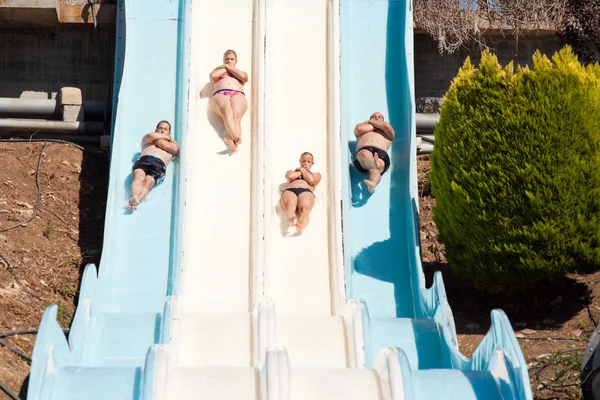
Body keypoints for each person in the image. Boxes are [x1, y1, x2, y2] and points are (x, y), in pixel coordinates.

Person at [127, 120, 179, 212]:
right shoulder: (147, 140)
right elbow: (150, 136)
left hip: (159, 164)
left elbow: (170, 147)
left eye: (165, 129)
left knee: (148, 183)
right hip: (144, 159)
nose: (162, 130)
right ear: (156, 130)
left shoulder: (173, 145)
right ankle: (134, 197)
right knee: (138, 177)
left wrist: (162, 139)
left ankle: (136, 201)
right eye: (160, 128)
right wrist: (167, 137)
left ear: (169, 132)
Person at [209, 49, 249, 152]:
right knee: (226, 110)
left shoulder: (240, 72)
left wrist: (228, 67)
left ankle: (233, 142)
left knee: (236, 117)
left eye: (232, 59)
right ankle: (236, 137)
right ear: (223, 60)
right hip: (221, 93)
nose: (229, 60)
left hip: (237, 93)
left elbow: (244, 77)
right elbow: (213, 76)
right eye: (226, 59)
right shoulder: (218, 71)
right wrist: (226, 67)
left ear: (236, 61)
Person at [279, 152, 322, 235]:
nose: (305, 163)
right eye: (303, 161)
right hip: (291, 190)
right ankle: (290, 220)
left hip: (306, 191)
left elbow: (312, 180)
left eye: (308, 162)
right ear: (300, 161)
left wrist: (302, 170)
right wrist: (301, 171)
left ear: (312, 163)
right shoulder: (291, 171)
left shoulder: (316, 174)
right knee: (289, 206)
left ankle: (300, 226)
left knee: (304, 209)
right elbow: (290, 177)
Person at [353, 112, 395, 193]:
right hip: (364, 150)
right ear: (369, 119)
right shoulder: (362, 128)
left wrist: (372, 123)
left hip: (381, 153)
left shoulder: (388, 134)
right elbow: (359, 129)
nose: (376, 118)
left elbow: (387, 127)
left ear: (384, 120)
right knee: (365, 155)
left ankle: (373, 183)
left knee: (380, 163)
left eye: (380, 117)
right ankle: (374, 174)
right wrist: (377, 125)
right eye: (373, 117)